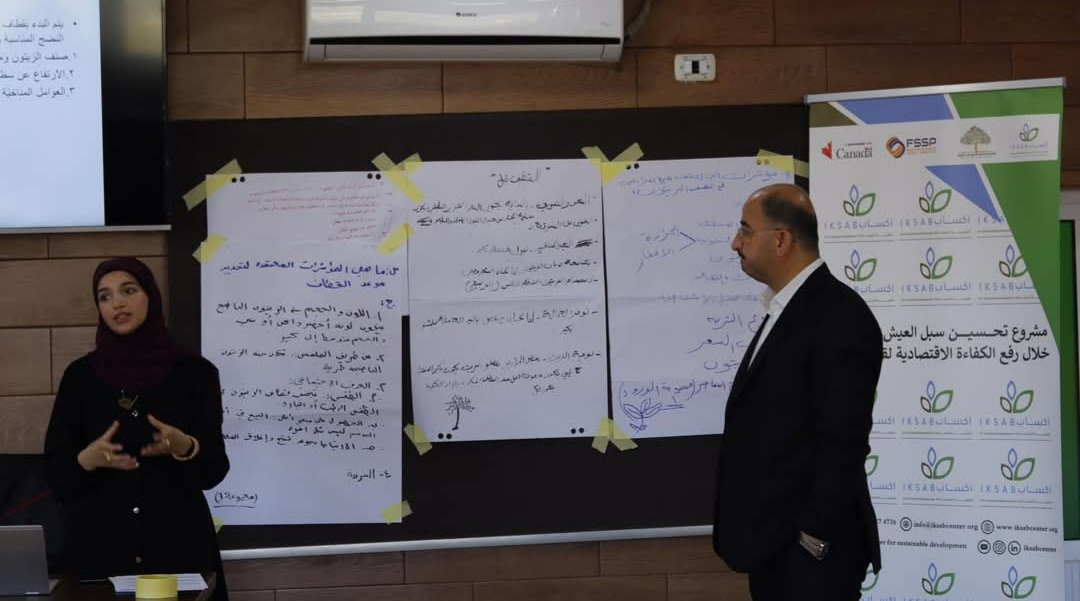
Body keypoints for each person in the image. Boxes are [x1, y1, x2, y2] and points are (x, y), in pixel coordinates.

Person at [712, 184, 883, 600]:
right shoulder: (786, 308)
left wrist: (812, 538)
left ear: (781, 240)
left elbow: (843, 440)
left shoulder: (839, 315)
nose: (736, 243)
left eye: (745, 230)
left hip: (810, 558)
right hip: (774, 546)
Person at [44, 257, 230, 599]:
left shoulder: (195, 373)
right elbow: (56, 476)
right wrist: (86, 459)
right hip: (98, 556)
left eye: (128, 290)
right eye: (104, 296)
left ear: (151, 296)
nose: (117, 302)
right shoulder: (80, 377)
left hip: (179, 551)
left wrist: (185, 447)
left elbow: (215, 469)